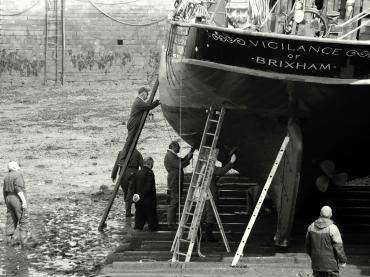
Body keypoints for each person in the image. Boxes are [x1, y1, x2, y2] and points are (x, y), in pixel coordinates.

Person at [201, 152, 237, 242]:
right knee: (210, 213)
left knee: (203, 213)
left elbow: (213, 176)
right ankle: (208, 237)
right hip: (210, 192)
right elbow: (221, 172)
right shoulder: (210, 166)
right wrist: (231, 162)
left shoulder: (202, 166)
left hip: (203, 191)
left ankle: (199, 236)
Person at [305, 206, 347, 277]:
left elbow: (307, 246)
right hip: (331, 266)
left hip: (316, 264)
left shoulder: (311, 227)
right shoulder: (333, 228)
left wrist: (314, 257)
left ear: (320, 213)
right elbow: (338, 247)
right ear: (331, 215)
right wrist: (343, 260)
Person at [164, 141, 194, 228]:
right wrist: (188, 158)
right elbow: (180, 165)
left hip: (175, 181)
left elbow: (181, 161)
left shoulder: (171, 155)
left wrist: (190, 153)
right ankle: (170, 222)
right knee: (174, 202)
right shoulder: (170, 156)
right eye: (178, 147)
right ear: (173, 147)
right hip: (174, 182)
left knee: (175, 201)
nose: (179, 149)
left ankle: (172, 221)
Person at [122, 87, 160, 156]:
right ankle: (124, 155)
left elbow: (146, 106)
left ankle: (128, 154)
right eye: (147, 94)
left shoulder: (139, 101)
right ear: (143, 93)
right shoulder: (138, 102)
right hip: (133, 123)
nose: (147, 96)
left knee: (131, 140)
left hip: (133, 123)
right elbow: (148, 106)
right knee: (130, 140)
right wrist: (158, 101)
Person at [3, 161, 30, 246]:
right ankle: (24, 243)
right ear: (14, 167)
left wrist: (6, 202)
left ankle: (9, 241)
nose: (19, 167)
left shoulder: (6, 176)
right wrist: (24, 202)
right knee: (23, 219)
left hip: (8, 198)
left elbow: (4, 191)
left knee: (11, 219)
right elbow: (18, 189)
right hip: (17, 198)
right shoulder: (18, 175)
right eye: (18, 166)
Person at [111, 148, 143, 217]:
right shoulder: (137, 153)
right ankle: (128, 211)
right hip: (133, 174)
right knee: (130, 192)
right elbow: (142, 165)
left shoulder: (121, 152)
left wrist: (113, 175)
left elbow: (116, 164)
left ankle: (128, 210)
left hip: (122, 175)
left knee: (126, 192)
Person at [132, 157, 158, 232]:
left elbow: (133, 186)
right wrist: (142, 194)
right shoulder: (150, 173)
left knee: (139, 217)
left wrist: (136, 195)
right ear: (150, 164)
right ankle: (153, 234)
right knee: (152, 218)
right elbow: (149, 187)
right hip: (148, 199)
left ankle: (137, 232)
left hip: (139, 199)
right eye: (152, 164)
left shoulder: (138, 172)